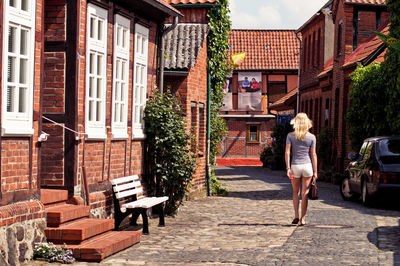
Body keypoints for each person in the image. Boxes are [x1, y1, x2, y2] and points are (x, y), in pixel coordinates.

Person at [285, 113, 317, 226]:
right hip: (307, 166)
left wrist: (288, 167)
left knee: (295, 192)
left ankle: (296, 215)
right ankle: (303, 219)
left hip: (295, 166)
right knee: (305, 193)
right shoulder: (312, 137)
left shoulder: (290, 136)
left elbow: (287, 152)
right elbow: (313, 155)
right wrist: (315, 171)